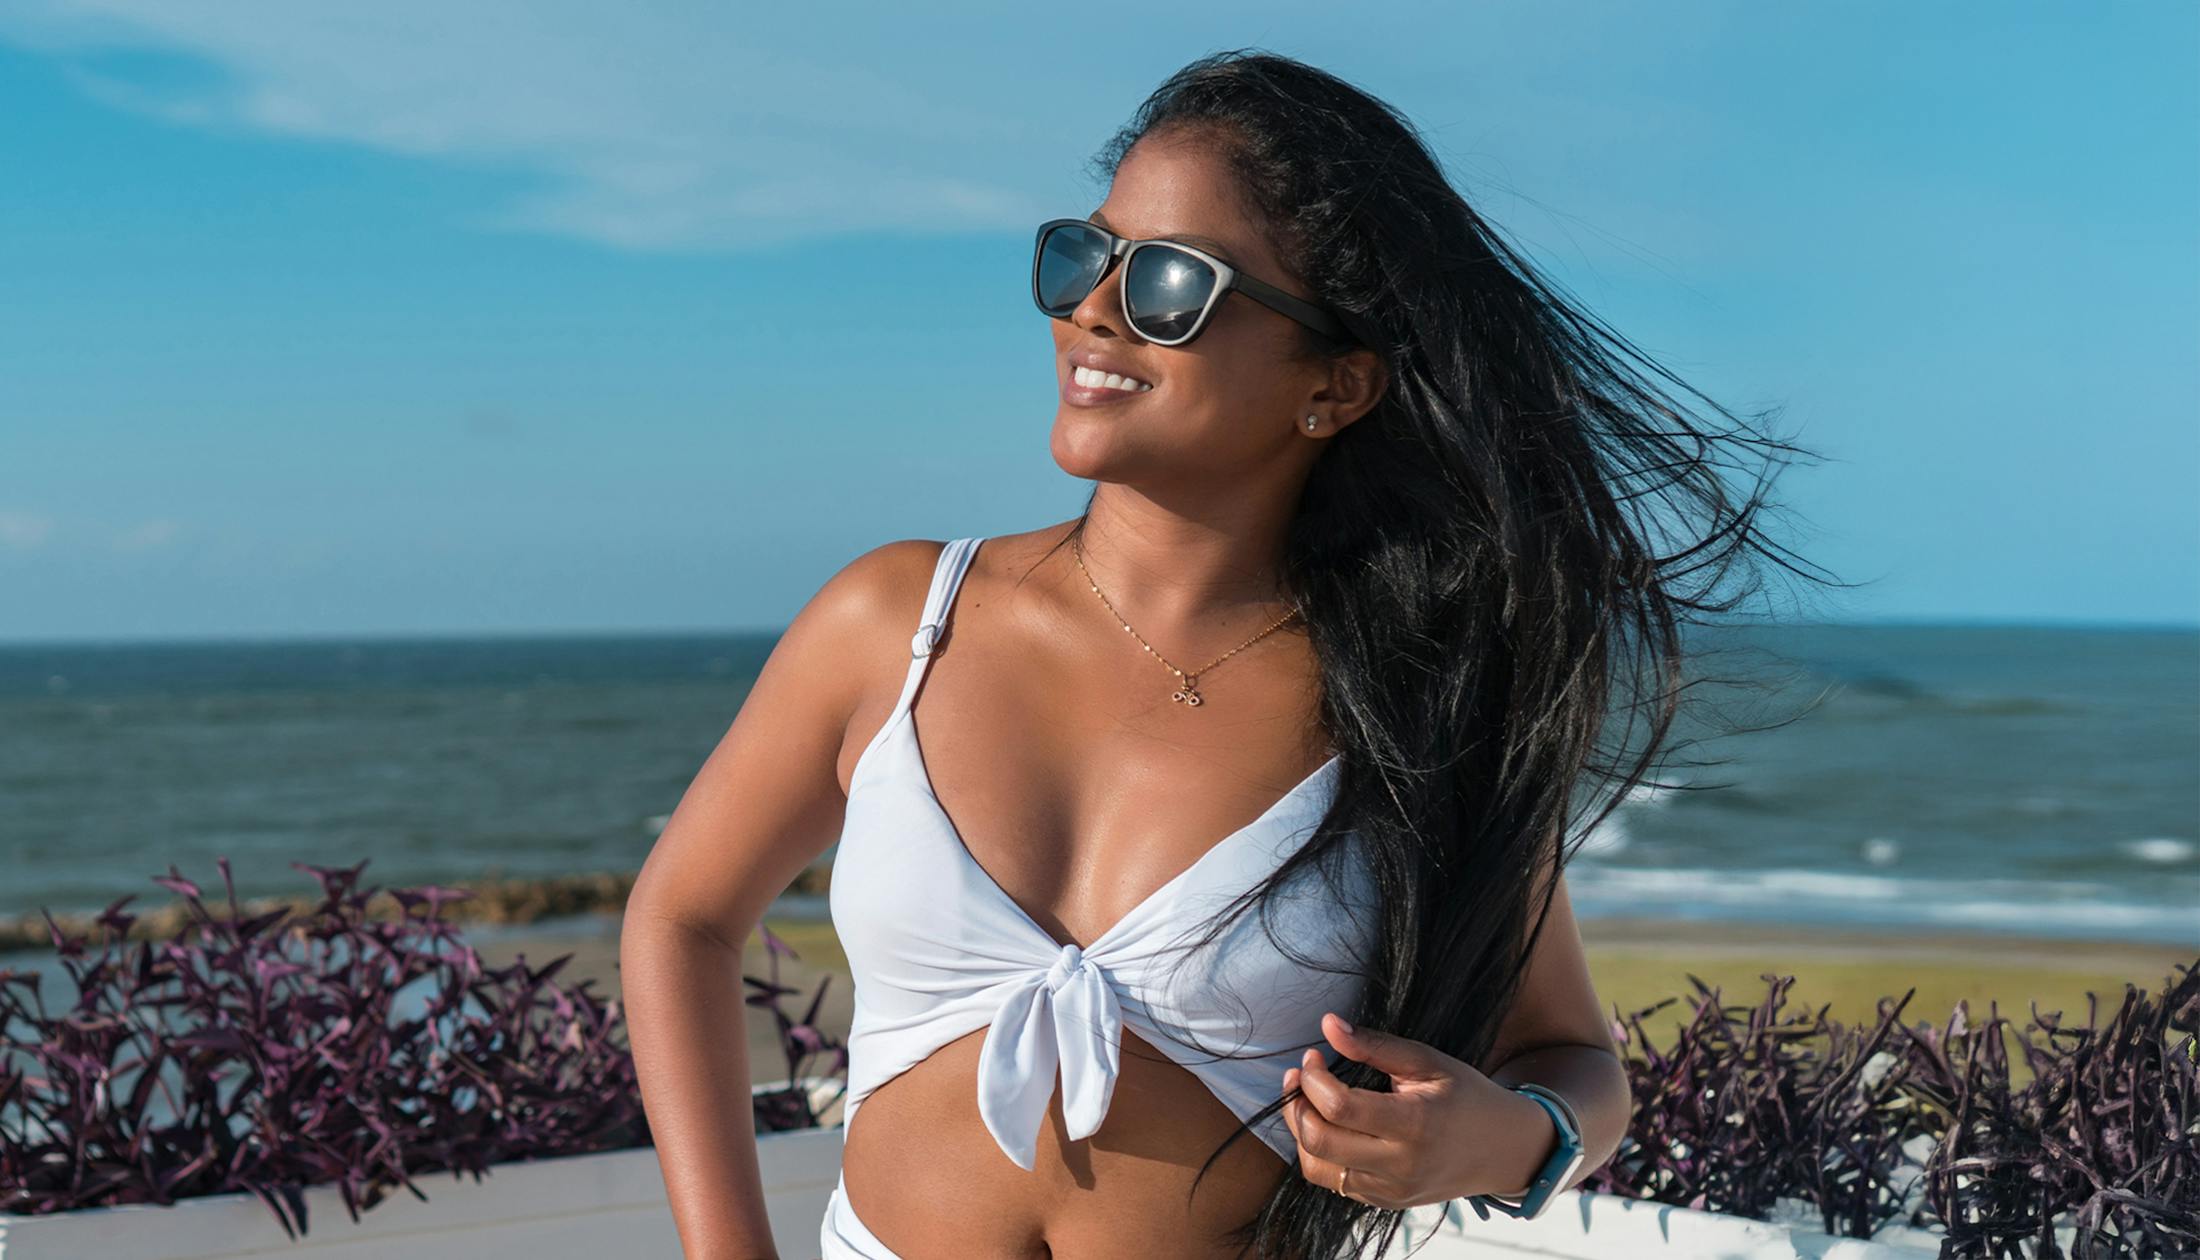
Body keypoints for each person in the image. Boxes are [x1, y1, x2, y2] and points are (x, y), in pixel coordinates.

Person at [622, 48, 1828, 1260]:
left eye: (1170, 284)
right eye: (1084, 255)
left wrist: (1507, 1142)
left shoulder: (1409, 707)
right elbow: (682, 916)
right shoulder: (899, 619)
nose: (1093, 307)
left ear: (1335, 384)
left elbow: (1572, 1061)